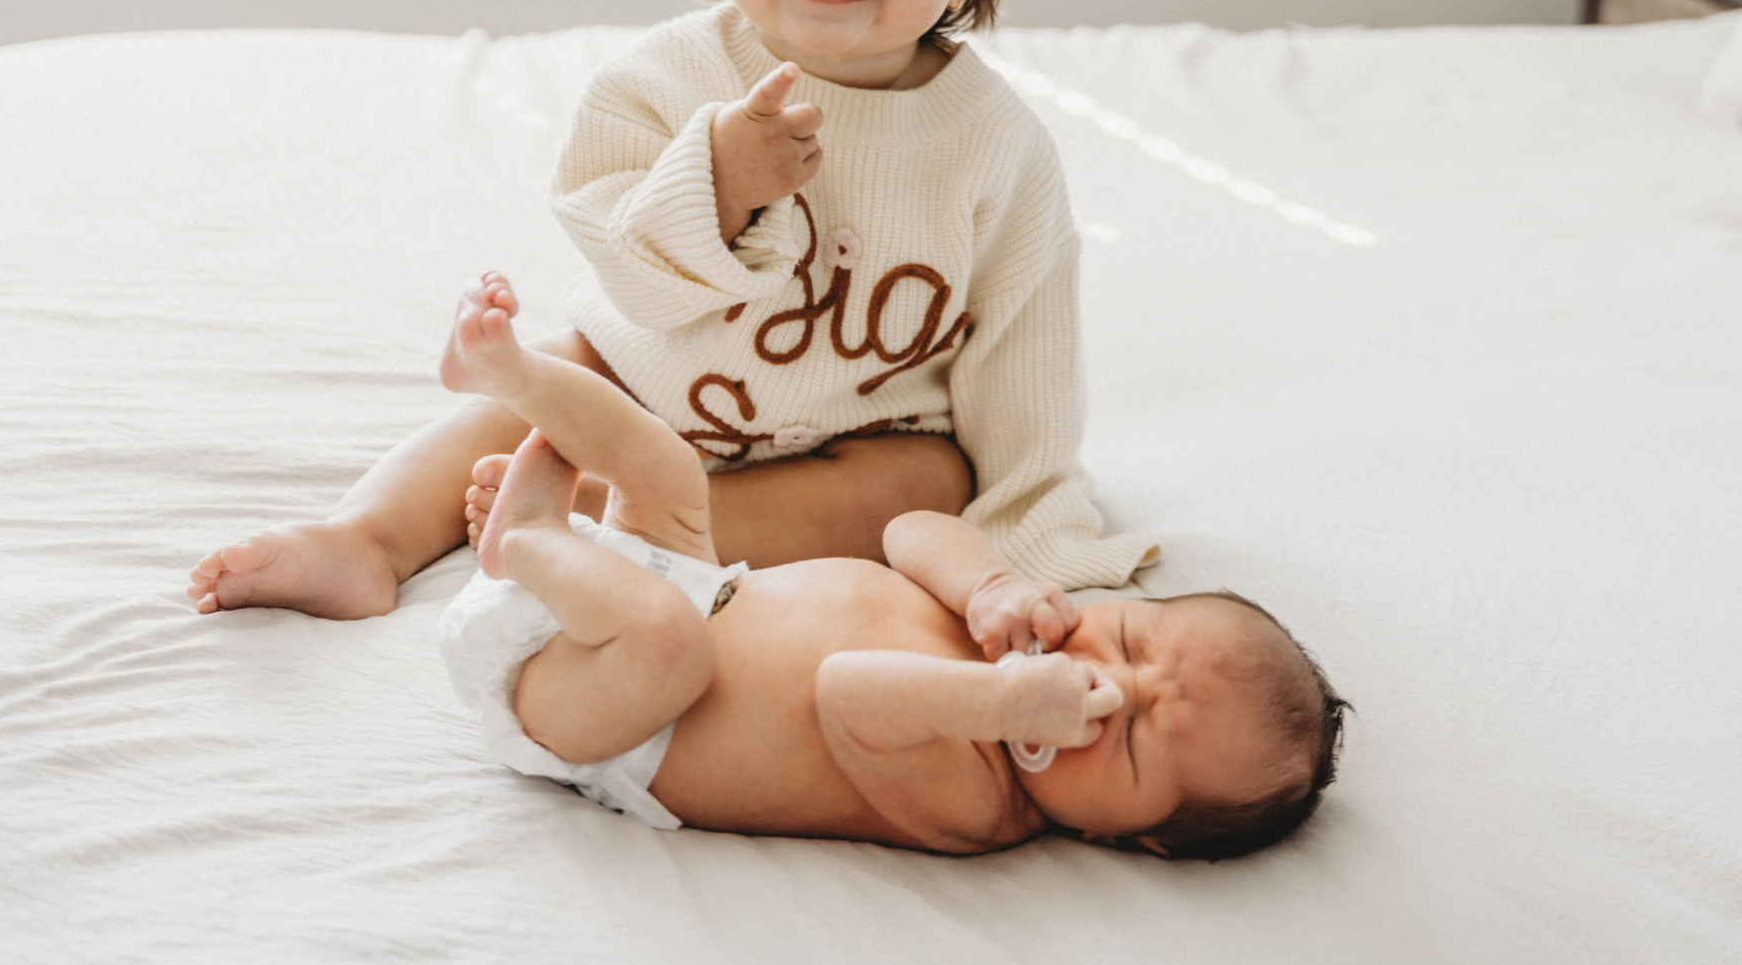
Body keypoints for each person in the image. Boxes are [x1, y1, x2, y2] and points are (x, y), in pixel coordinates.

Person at [189, 0, 1151, 619]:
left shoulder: (994, 143)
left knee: (925, 488)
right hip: (646, 382)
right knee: (544, 382)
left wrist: (1032, 531)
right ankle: (365, 540)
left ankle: (617, 510)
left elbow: (1024, 352)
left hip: (855, 432)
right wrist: (717, 185)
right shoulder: (664, 79)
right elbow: (623, 265)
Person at [436, 274, 1347, 857]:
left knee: (670, 641)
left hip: (612, 721)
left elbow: (849, 693)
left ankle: (524, 543)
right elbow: (910, 527)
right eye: (1128, 635)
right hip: (679, 585)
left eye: (1134, 732)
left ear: (1126, 835)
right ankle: (510, 376)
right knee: (670, 469)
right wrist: (984, 584)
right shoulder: (998, 624)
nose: (1103, 678)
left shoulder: (978, 804)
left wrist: (1002, 706)